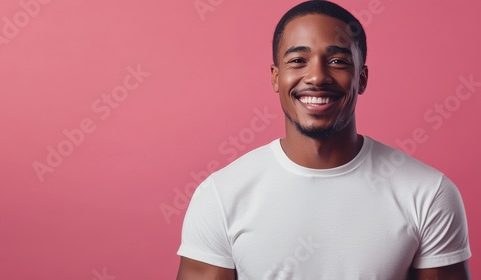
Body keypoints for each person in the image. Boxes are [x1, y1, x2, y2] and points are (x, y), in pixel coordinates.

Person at [176, 1, 472, 279]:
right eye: (298, 60)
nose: (317, 76)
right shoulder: (220, 195)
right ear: (275, 77)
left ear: (362, 78)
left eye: (337, 61)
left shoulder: (429, 193)